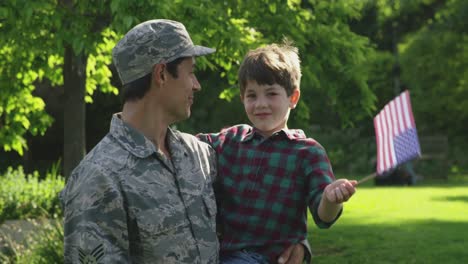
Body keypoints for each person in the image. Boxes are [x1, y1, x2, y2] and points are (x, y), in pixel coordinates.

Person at [60, 19, 304, 264]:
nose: (197, 85)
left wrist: (297, 243)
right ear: (162, 74)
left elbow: (261, 194)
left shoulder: (200, 155)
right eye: (191, 72)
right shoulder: (97, 179)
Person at [197, 42, 357, 264]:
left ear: (293, 98)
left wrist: (331, 199)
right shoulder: (231, 140)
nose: (261, 104)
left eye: (271, 93)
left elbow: (324, 218)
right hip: (220, 253)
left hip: (269, 257)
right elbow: (186, 145)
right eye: (252, 95)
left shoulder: (308, 152)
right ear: (242, 98)